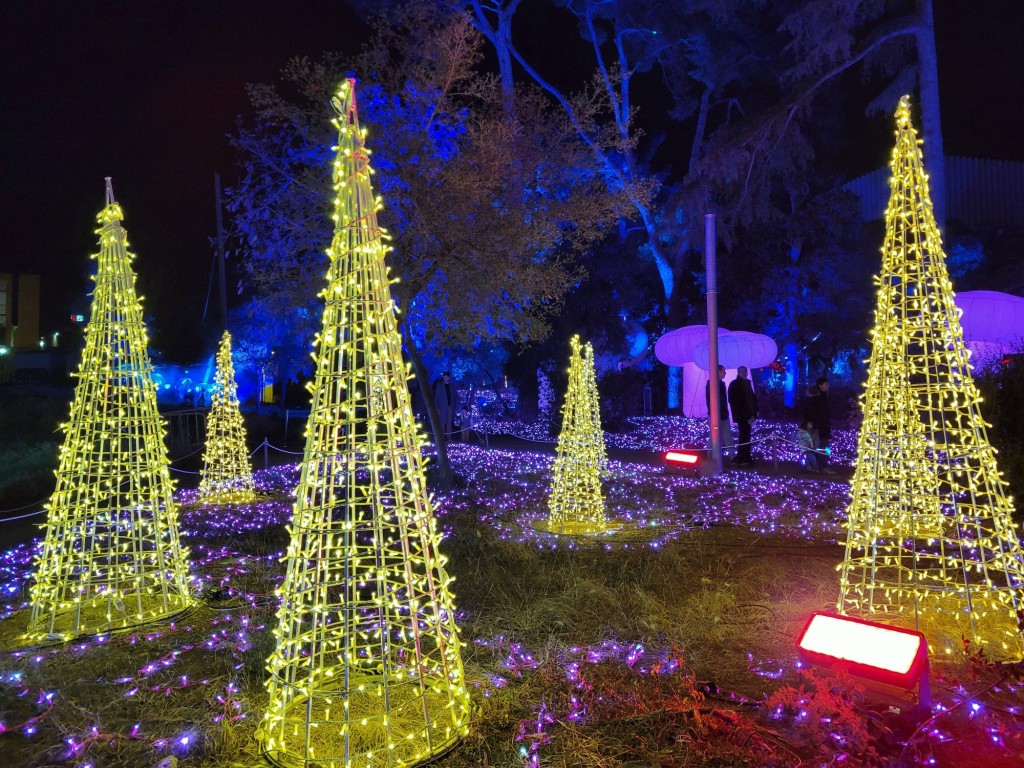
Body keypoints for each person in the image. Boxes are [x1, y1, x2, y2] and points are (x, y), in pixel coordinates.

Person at [803, 377, 835, 474]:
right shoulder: (815, 399)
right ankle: (822, 466)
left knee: (820, 446)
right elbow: (809, 412)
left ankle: (813, 465)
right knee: (822, 447)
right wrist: (811, 423)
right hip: (817, 426)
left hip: (823, 425)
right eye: (826, 384)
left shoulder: (823, 397)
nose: (828, 386)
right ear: (820, 385)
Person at [728, 365, 758, 465]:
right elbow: (733, 401)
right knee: (744, 436)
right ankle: (742, 457)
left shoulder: (747, 384)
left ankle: (746, 456)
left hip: (748, 415)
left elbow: (752, 399)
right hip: (742, 415)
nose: (744, 373)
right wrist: (740, 414)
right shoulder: (734, 384)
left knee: (747, 435)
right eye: (742, 371)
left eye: (745, 371)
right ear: (738, 372)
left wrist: (754, 412)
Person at [705, 364, 734, 458]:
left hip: (724, 415)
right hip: (715, 416)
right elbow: (710, 400)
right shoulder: (711, 383)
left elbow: (723, 400)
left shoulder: (722, 383)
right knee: (714, 435)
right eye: (723, 371)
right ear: (718, 371)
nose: (725, 373)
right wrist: (714, 413)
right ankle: (711, 456)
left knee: (727, 436)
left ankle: (732, 456)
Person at [433, 371, 456, 440]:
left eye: (447, 377)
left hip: (450, 407)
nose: (446, 378)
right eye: (445, 377)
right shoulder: (439, 386)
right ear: (443, 377)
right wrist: (437, 408)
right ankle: (441, 439)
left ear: (449, 377)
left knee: (449, 423)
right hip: (442, 407)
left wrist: (455, 406)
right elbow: (436, 397)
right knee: (442, 423)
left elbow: (455, 396)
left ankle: (449, 438)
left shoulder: (452, 386)